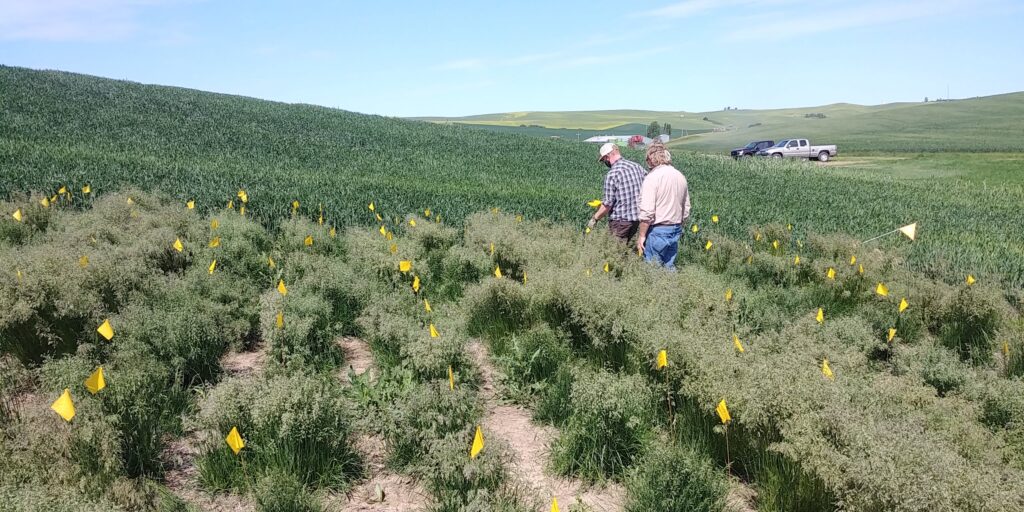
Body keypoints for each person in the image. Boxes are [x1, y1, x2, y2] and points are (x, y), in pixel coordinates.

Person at [636, 142, 690, 268]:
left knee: (652, 269)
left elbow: (647, 212)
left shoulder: (652, 178)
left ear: (650, 159)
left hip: (657, 231)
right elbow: (686, 209)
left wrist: (642, 236)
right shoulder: (680, 176)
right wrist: (678, 226)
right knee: (669, 268)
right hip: (675, 228)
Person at [586, 143, 646, 244]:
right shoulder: (637, 167)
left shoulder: (612, 174)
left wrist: (594, 219)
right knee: (624, 249)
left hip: (620, 222)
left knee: (613, 253)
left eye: (604, 160)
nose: (605, 162)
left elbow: (607, 205)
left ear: (607, 157)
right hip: (637, 220)